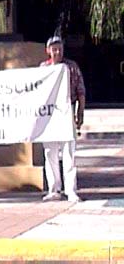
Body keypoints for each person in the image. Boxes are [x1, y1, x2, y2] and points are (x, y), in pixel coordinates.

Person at [40, 36, 85, 203]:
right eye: (54, 49)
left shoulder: (71, 67)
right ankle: (54, 189)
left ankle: (71, 190)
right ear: (48, 51)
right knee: (50, 152)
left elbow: (80, 90)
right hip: (49, 115)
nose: (57, 52)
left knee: (69, 152)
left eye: (59, 48)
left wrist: (80, 111)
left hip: (67, 111)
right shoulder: (43, 68)